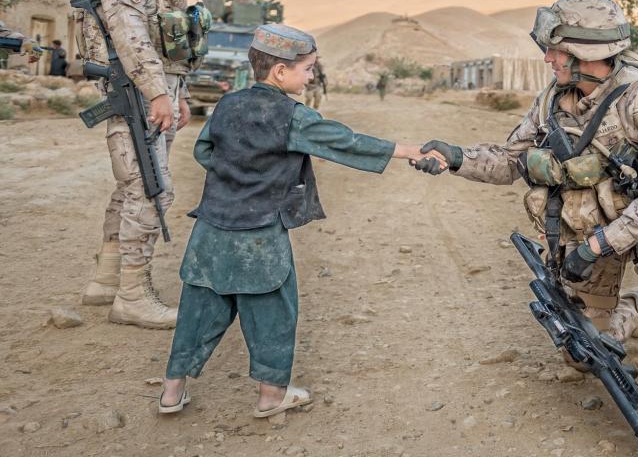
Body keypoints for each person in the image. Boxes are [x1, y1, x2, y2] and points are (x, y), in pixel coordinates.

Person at [414, 0, 638, 427]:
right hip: (589, 225)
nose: (548, 59)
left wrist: (598, 246)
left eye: (556, 50)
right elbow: (512, 158)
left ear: (584, 53)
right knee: (584, 353)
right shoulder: (554, 97)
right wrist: (458, 157)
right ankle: (632, 310)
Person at [158, 24, 443, 416]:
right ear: (280, 72)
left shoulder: (228, 105)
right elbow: (345, 141)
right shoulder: (292, 115)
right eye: (307, 69)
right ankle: (272, 397)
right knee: (274, 311)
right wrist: (410, 149)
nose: (310, 77)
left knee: (198, 309)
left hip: (210, 228)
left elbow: (205, 151)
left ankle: (172, 393)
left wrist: (237, 179)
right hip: (261, 235)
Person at [77, 0, 204, 328]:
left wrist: (178, 93)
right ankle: (132, 295)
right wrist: (154, 92)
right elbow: (128, 32)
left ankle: (106, 280)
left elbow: (168, 42)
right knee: (152, 188)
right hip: (135, 93)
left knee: (131, 185)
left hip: (155, 91)